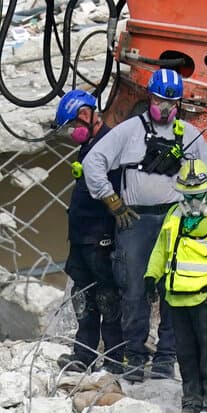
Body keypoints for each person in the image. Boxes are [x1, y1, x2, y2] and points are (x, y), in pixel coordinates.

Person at [84, 68, 207, 382]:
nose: (166, 107)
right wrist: (111, 200)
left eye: (172, 101)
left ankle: (166, 357)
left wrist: (201, 205)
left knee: (173, 287)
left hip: (176, 220)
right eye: (161, 99)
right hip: (135, 220)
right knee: (133, 289)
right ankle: (134, 356)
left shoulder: (187, 135)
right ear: (150, 97)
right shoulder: (129, 131)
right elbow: (94, 161)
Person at [144, 160, 207, 413]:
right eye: (188, 195)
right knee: (186, 355)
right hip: (177, 298)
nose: (193, 200)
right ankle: (191, 403)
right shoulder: (175, 216)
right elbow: (160, 248)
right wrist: (151, 276)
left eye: (197, 194)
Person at [52, 90, 124, 374]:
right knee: (83, 297)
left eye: (72, 126)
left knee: (107, 297)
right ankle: (84, 355)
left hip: (100, 237)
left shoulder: (111, 145)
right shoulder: (90, 146)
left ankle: (116, 359)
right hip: (82, 237)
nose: (72, 132)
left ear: (85, 115)